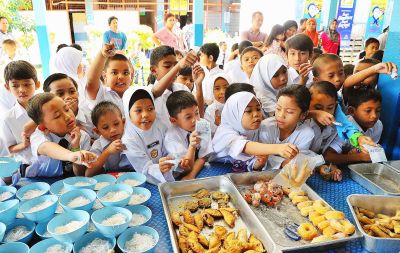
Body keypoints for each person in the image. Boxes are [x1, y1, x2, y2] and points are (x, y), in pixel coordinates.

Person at [212, 91, 299, 172]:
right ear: (235, 114)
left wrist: (258, 163)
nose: (256, 114)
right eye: (248, 111)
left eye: (258, 109)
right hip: (215, 169)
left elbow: (251, 162)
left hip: (237, 171)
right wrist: (278, 148)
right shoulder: (225, 132)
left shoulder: (254, 131)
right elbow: (244, 146)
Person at [311, 54, 377, 150]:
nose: (337, 79)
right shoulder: (308, 96)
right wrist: (314, 113)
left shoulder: (336, 99)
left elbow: (344, 124)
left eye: (341, 73)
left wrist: (358, 138)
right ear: (316, 80)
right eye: (331, 75)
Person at [26, 93, 96, 178]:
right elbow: (46, 147)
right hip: (39, 181)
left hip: (68, 181)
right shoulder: (38, 136)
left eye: (67, 109)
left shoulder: (82, 136)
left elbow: (79, 174)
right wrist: (71, 155)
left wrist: (76, 148)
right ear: (43, 127)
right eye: (57, 116)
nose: (67, 116)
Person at [122, 87, 175, 185]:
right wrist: (159, 168)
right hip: (136, 181)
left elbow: (169, 149)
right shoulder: (128, 139)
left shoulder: (160, 126)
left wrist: (169, 159)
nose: (145, 114)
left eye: (150, 109)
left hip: (163, 173)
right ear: (127, 113)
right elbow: (143, 168)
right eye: (138, 110)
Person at [260, 85, 314, 170]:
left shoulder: (307, 133)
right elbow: (261, 154)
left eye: (289, 112)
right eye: (278, 109)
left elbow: (298, 158)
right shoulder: (266, 127)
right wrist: (282, 162)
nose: (281, 115)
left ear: (303, 115)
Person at [324, 87, 382, 165]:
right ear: (351, 111)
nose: (374, 116)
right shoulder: (344, 128)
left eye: (378, 110)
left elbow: (371, 153)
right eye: (368, 111)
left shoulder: (378, 125)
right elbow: (328, 157)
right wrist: (359, 157)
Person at [165, 91, 213, 180]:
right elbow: (186, 166)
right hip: (179, 174)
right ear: (173, 120)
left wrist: (192, 175)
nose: (195, 120)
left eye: (197, 113)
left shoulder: (203, 124)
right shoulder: (171, 137)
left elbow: (203, 156)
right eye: (188, 117)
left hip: (198, 170)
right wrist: (192, 146)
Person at [0, 61, 40, 166]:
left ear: (37, 84)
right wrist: (24, 144)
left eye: (27, 84)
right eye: (15, 86)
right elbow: (9, 148)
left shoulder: (46, 108)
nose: (21, 90)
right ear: (7, 87)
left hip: (54, 162)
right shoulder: (7, 118)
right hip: (28, 166)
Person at [149, 45, 199, 126]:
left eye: (175, 65)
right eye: (167, 66)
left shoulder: (182, 88)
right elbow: (155, 92)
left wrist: (198, 85)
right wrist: (178, 66)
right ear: (154, 70)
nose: (173, 69)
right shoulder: (149, 92)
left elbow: (197, 114)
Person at [307, 81, 343, 181]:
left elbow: (329, 155)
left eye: (330, 108)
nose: (324, 113)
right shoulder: (301, 124)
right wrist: (315, 113)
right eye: (318, 108)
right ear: (307, 104)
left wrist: (332, 167)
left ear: (335, 106)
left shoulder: (338, 126)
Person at [86, 101, 132, 176]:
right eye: (105, 127)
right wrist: (107, 152)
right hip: (109, 182)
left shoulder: (131, 137)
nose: (113, 130)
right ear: (97, 131)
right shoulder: (98, 145)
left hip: (133, 178)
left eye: (116, 124)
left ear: (123, 122)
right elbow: (88, 174)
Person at [43, 73, 95, 139]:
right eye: (60, 94)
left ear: (78, 93)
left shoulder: (92, 114)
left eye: (72, 91)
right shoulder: (48, 124)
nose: (68, 97)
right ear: (48, 98)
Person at [86, 43, 133, 115]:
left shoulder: (135, 94)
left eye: (125, 73)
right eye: (114, 73)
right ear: (105, 76)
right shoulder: (102, 95)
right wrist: (102, 55)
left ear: (131, 76)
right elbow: (91, 83)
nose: (120, 77)